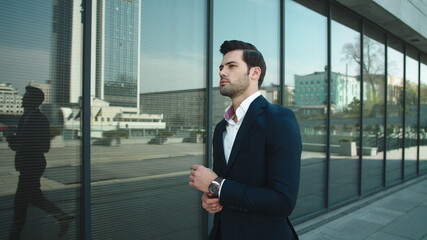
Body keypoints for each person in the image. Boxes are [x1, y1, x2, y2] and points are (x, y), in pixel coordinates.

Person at [189, 40, 302, 240]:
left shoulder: (279, 119)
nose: (222, 72)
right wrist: (211, 198)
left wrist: (215, 185)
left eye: (231, 66)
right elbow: (226, 186)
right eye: (221, 67)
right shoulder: (220, 129)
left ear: (254, 73)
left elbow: (283, 201)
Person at [7, 86, 74, 240]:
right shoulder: (24, 118)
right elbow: (20, 146)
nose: (23, 98)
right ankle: (62, 217)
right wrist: (14, 141)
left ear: (35, 101)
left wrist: (21, 142)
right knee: (34, 198)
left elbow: (44, 146)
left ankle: (14, 235)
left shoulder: (40, 120)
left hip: (33, 165)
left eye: (27, 96)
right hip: (26, 164)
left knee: (20, 204)